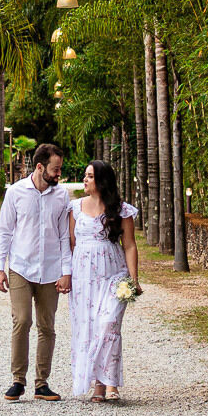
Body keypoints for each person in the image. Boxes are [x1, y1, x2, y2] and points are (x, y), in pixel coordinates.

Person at [0, 142, 73, 402]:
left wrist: (66, 271)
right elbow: (5, 232)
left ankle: (42, 384)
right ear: (40, 167)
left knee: (47, 326)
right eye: (55, 169)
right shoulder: (15, 193)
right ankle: (18, 381)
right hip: (21, 268)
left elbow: (64, 236)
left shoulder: (61, 196)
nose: (59, 174)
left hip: (51, 270)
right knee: (22, 320)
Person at [67, 159, 139, 403]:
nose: (85, 180)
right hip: (83, 278)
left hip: (113, 275)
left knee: (108, 324)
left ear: (102, 180)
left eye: (90, 176)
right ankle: (98, 384)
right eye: (85, 175)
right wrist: (66, 274)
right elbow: (71, 244)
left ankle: (110, 382)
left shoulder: (120, 209)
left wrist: (134, 279)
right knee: (89, 329)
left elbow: (129, 245)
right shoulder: (75, 208)